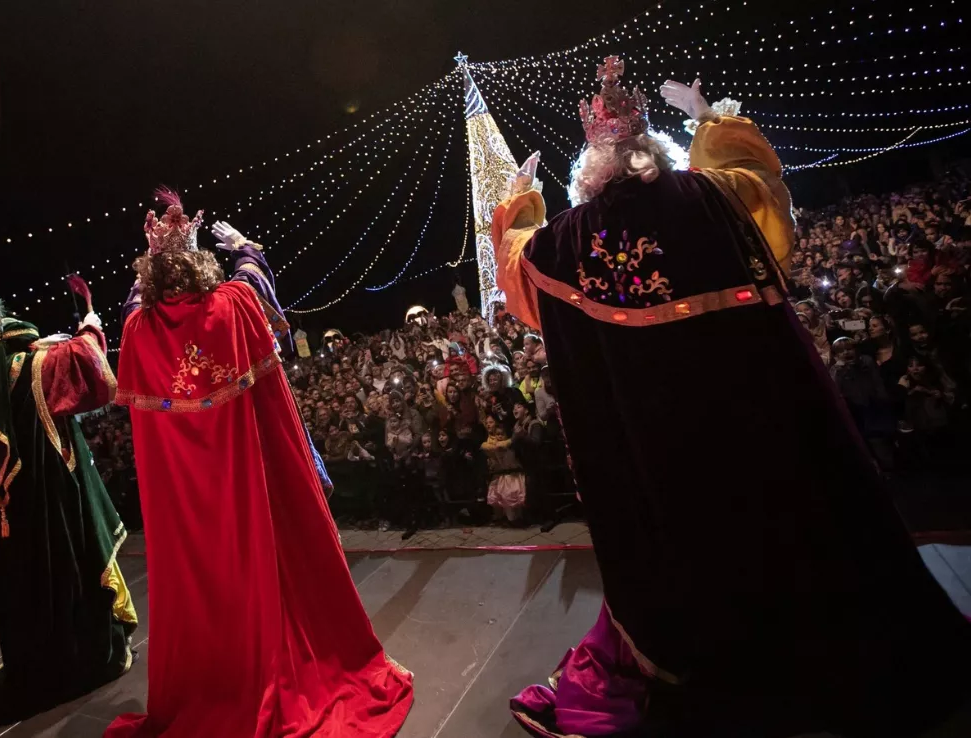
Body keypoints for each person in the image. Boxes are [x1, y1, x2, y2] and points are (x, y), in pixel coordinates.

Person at [493, 57, 971, 737]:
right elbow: (768, 202)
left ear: (586, 176)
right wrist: (709, 119)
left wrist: (521, 200)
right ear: (654, 150)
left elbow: (517, 270)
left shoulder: (562, 245)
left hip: (661, 458)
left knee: (688, 554)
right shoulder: (709, 197)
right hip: (757, 427)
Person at [105, 190, 412, 738]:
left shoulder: (137, 333)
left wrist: (148, 265)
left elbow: (131, 306)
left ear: (150, 277)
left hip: (188, 517)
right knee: (265, 577)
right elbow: (256, 284)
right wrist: (244, 246)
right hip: (246, 494)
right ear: (201, 265)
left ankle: (216, 682)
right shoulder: (229, 308)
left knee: (205, 594)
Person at [0, 303, 137, 735]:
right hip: (55, 503)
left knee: (29, 588)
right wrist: (90, 324)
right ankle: (83, 654)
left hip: (12, 514)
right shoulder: (37, 364)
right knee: (72, 573)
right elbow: (94, 370)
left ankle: (39, 657)